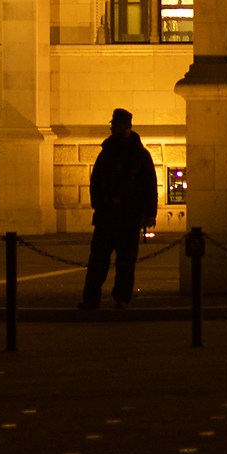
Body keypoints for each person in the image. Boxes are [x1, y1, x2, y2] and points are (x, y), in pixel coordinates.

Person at [81, 108, 159, 309]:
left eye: (117, 125)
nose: (114, 128)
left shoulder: (139, 155)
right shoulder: (108, 152)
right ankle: (92, 299)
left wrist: (150, 213)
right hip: (109, 214)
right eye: (113, 125)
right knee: (99, 260)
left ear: (127, 126)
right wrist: (99, 204)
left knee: (124, 262)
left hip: (127, 215)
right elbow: (96, 182)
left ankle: (121, 298)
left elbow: (149, 184)